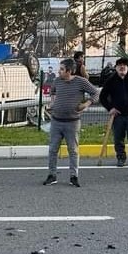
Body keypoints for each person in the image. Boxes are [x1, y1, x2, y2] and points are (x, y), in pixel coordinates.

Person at [43, 58, 99, 188]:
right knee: (52, 149)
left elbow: (95, 93)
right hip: (56, 121)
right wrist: (53, 103)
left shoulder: (81, 82)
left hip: (72, 122)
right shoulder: (57, 81)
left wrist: (86, 104)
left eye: (62, 69)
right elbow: (53, 92)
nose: (59, 71)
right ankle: (52, 175)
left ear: (69, 71)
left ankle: (74, 176)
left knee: (73, 150)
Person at [99, 58, 128, 167]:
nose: (122, 67)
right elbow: (102, 97)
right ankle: (121, 158)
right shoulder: (111, 80)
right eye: (119, 65)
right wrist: (110, 108)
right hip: (117, 115)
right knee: (118, 139)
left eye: (124, 65)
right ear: (116, 67)